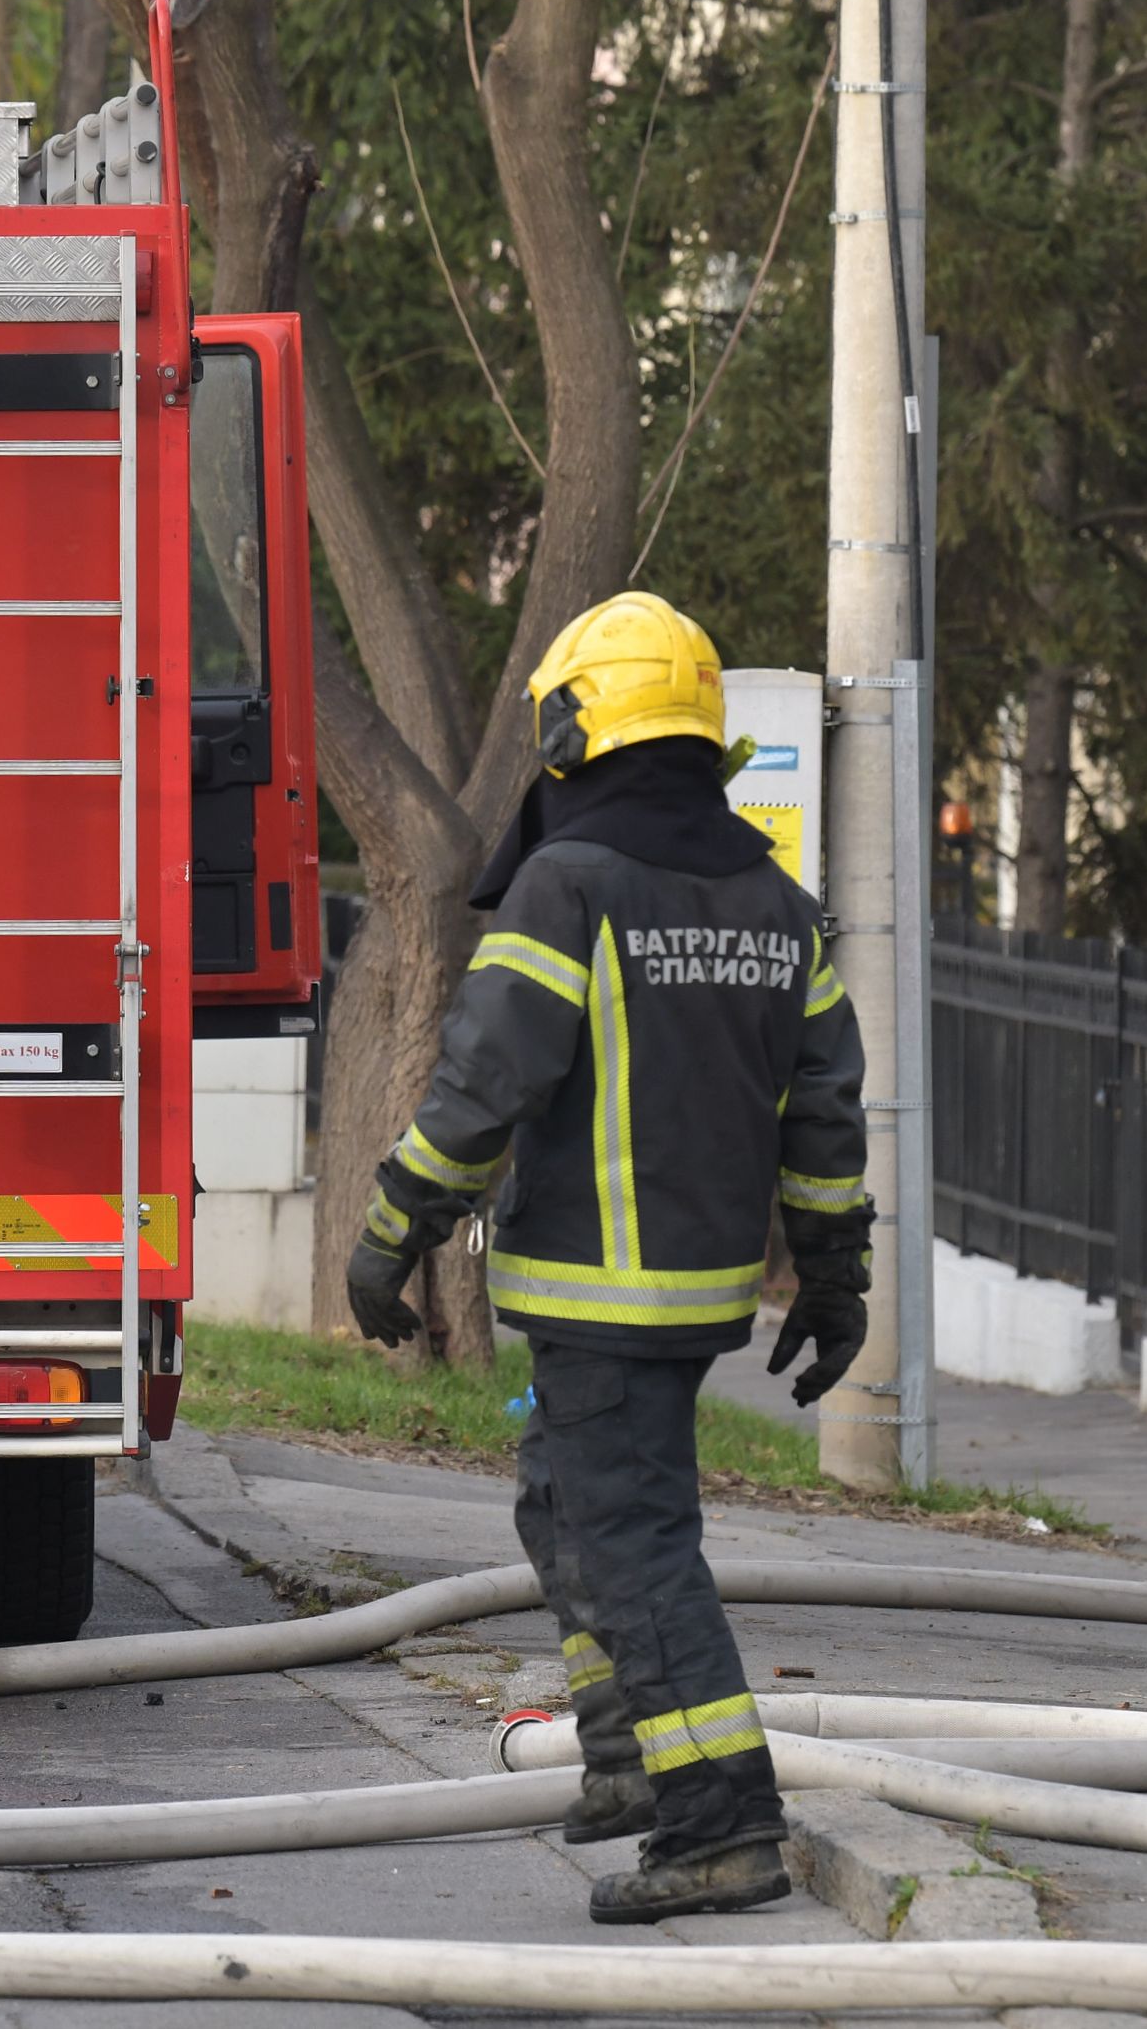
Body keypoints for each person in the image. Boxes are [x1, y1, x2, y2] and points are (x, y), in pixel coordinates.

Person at [343, 591, 874, 1924]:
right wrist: (834, 1271)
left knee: (633, 1544)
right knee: (564, 1508)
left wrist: (391, 1229)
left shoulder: (568, 884)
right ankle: (631, 1754)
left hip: (594, 1290)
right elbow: (825, 1112)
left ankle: (720, 1820)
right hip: (692, 1295)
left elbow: (483, 1083)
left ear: (579, 730)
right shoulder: (775, 901)